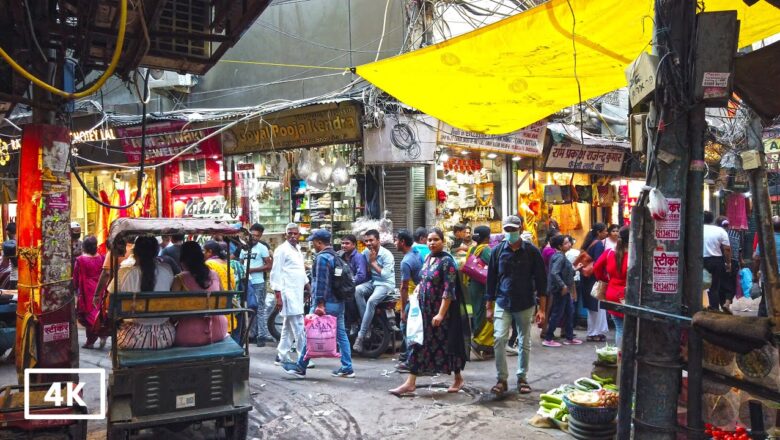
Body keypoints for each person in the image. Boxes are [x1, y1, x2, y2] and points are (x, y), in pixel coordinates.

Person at [389, 228, 468, 396]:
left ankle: (458, 378)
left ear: (443, 241)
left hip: (441, 314)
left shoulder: (447, 262)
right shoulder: (427, 258)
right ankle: (410, 383)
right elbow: (424, 280)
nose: (432, 243)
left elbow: (449, 290)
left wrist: (440, 314)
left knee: (448, 345)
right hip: (424, 312)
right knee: (418, 344)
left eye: (436, 239)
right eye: (430, 240)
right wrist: (417, 291)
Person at [486, 215, 547, 395]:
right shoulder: (497, 251)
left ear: (520, 229)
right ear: (504, 230)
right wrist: (488, 306)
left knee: (524, 341)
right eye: (508, 230)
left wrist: (542, 309)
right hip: (502, 301)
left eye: (514, 229)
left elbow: (542, 282)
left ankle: (522, 377)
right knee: (498, 339)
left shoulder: (532, 251)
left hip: (526, 302)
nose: (511, 233)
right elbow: (491, 280)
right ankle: (501, 379)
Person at [283, 229, 355, 379]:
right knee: (341, 335)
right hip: (338, 302)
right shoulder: (335, 255)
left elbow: (322, 283)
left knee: (310, 332)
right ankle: (347, 367)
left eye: (313, 242)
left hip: (326, 303)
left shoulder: (322, 258)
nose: (312, 245)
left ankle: (301, 367)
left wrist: (320, 304)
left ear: (319, 242)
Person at [116, 236, 176, 350]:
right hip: (165, 337)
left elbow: (110, 304)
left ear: (135, 253)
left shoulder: (124, 272)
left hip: (132, 338)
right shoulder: (167, 269)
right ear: (157, 251)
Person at [171, 241, 228, 347]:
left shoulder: (180, 278)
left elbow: (172, 312)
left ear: (182, 260)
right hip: (219, 330)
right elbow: (223, 300)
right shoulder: (215, 275)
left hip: (190, 334)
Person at [270, 223, 308, 364]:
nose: (292, 236)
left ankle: (281, 355)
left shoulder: (297, 249)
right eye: (290, 233)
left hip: (297, 293)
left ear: (299, 234)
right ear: (285, 235)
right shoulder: (281, 250)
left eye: (295, 233)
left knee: (288, 327)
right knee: (298, 325)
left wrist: (308, 287)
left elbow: (301, 272)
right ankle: (303, 357)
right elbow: (275, 274)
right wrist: (278, 296)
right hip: (287, 293)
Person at [353, 229, 395, 352]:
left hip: (385, 284)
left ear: (378, 240)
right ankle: (368, 326)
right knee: (357, 290)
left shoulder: (387, 255)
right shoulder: (365, 252)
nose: (368, 243)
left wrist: (373, 262)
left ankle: (361, 335)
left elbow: (385, 276)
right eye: (366, 241)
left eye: (371, 240)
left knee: (371, 301)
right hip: (373, 282)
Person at [543, 235, 582, 346]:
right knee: (557, 313)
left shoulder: (561, 256)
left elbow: (564, 272)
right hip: (560, 290)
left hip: (564, 289)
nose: (569, 244)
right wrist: (563, 286)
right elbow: (555, 272)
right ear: (560, 246)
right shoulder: (559, 257)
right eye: (565, 243)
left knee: (569, 312)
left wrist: (575, 269)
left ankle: (569, 337)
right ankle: (548, 338)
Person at [594, 227, 630, 347]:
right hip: (628, 295)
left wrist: (605, 279)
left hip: (612, 293)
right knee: (630, 328)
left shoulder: (609, 252)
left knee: (619, 327)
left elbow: (596, 268)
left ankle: (620, 358)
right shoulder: (634, 256)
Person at [241, 224, 274, 346]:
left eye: (257, 236)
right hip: (246, 282)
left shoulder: (262, 248)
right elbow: (240, 263)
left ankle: (262, 336)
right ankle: (251, 334)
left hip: (258, 282)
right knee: (249, 309)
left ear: (260, 236)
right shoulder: (244, 248)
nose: (254, 238)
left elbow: (269, 265)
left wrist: (252, 270)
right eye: (253, 235)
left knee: (260, 309)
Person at [395, 229, 423, 371]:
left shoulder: (406, 261)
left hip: (415, 297)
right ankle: (407, 356)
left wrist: (403, 310)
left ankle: (411, 361)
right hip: (420, 294)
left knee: (406, 327)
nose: (395, 243)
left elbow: (404, 287)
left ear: (402, 242)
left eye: (396, 240)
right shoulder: (416, 252)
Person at [466, 226, 493, 357]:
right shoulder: (486, 250)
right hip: (483, 287)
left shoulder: (471, 248)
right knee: (486, 316)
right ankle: (479, 343)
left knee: (478, 314)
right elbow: (494, 267)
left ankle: (483, 344)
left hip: (473, 285)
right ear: (487, 237)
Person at [74, 236, 106, 349]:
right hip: (100, 288)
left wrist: (75, 289)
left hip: (86, 291)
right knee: (100, 314)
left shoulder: (80, 260)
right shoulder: (102, 258)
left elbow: (75, 277)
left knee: (88, 316)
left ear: (84, 247)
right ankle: (103, 334)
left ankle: (90, 341)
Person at [579, 223, 609, 342]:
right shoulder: (598, 245)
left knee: (592, 308)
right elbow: (599, 263)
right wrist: (602, 277)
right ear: (599, 232)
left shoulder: (588, 244)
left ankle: (593, 331)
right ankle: (595, 332)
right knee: (597, 306)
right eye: (605, 231)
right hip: (594, 279)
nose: (607, 233)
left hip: (587, 278)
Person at [702, 211, 732, 312]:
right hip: (716, 261)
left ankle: (697, 307)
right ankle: (714, 308)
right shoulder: (720, 231)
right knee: (714, 287)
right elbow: (727, 249)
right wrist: (728, 263)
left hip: (699, 260)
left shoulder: (695, 229)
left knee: (697, 285)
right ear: (712, 220)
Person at [717, 218, 738, 313]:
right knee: (732, 283)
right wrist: (740, 261)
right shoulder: (735, 234)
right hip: (733, 261)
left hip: (721, 261)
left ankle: (723, 306)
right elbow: (739, 249)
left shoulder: (718, 234)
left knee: (721, 284)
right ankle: (727, 303)